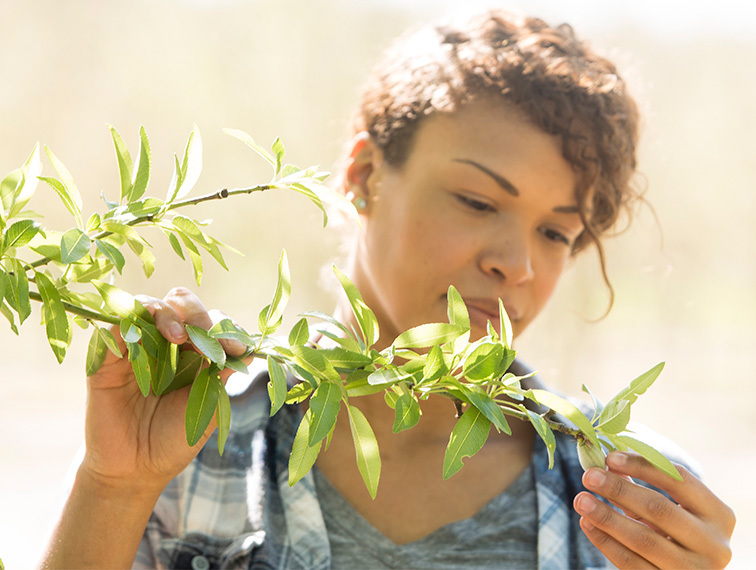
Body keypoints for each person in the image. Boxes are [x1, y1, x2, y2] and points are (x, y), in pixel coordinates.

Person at [40, 9, 735, 569]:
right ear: (366, 174)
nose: (518, 264)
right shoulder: (193, 437)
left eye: (557, 233)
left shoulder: (635, 504)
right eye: (476, 200)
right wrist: (114, 488)